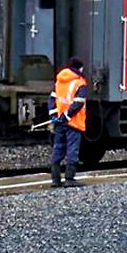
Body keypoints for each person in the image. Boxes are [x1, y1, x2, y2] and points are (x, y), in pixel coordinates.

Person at [49, 57, 89, 187]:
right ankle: (69, 178)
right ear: (79, 68)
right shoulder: (79, 83)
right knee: (72, 149)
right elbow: (77, 104)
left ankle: (55, 179)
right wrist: (66, 117)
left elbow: (52, 99)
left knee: (58, 148)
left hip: (59, 122)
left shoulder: (60, 80)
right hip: (73, 123)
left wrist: (54, 115)